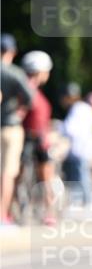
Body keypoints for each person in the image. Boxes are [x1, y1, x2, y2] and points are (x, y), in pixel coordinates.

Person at [20, 51, 57, 224]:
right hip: (29, 139)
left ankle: (48, 212)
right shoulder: (26, 89)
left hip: (39, 140)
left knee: (46, 176)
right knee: (19, 175)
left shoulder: (30, 89)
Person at [1, 34, 34, 224]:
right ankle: (2, 216)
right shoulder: (15, 73)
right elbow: (30, 98)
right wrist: (19, 109)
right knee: (7, 172)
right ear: (11, 52)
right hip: (9, 126)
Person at [61, 83, 92, 209]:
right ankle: (82, 204)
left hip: (79, 150)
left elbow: (70, 129)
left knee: (81, 178)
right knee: (79, 178)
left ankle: (87, 205)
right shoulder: (84, 108)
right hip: (81, 149)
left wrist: (58, 127)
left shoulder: (78, 108)